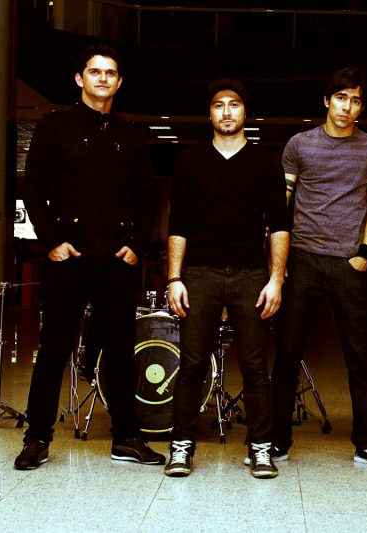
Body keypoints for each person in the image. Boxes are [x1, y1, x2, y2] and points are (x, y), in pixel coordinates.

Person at [16, 44, 165, 470]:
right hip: (68, 258)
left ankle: (127, 437)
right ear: (80, 79)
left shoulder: (132, 135)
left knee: (119, 351)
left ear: (119, 82)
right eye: (95, 72)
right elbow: (34, 188)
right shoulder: (54, 127)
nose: (103, 78)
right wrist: (51, 242)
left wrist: (137, 244)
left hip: (116, 260)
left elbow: (146, 196)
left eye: (110, 73)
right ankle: (37, 437)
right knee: (53, 350)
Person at [270, 66, 367, 469]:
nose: (347, 107)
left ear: (362, 107)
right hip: (303, 260)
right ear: (327, 101)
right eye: (341, 98)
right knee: (287, 353)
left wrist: (365, 252)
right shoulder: (299, 144)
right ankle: (276, 441)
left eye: (356, 100)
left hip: (349, 263)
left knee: (361, 358)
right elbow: (282, 204)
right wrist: (279, 261)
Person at [164, 78, 289, 479]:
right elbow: (178, 224)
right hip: (199, 273)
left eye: (234, 104)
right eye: (219, 105)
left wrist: (276, 279)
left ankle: (261, 447)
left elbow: (280, 225)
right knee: (192, 364)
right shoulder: (190, 160)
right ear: (210, 113)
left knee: (255, 367)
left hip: (251, 274)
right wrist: (174, 277)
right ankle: (181, 446)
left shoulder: (266, 162)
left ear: (245, 112)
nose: (227, 111)